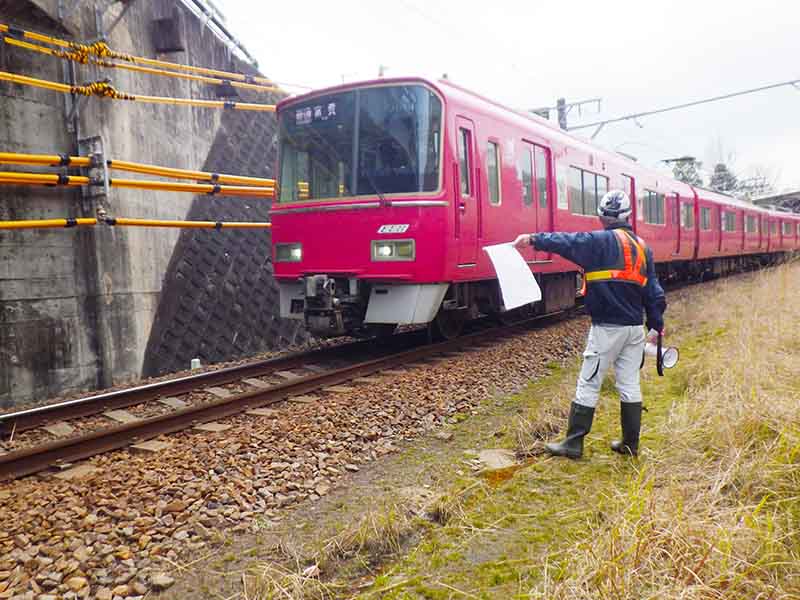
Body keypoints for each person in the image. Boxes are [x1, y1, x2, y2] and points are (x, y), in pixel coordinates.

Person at [513, 190, 666, 459]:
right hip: (634, 329)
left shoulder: (598, 242)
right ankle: (630, 444)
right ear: (628, 216)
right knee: (629, 383)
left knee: (589, 382)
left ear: (601, 217)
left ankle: (573, 443)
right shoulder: (643, 247)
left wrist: (533, 239)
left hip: (607, 328)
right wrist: (656, 325)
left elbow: (567, 241)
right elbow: (654, 293)